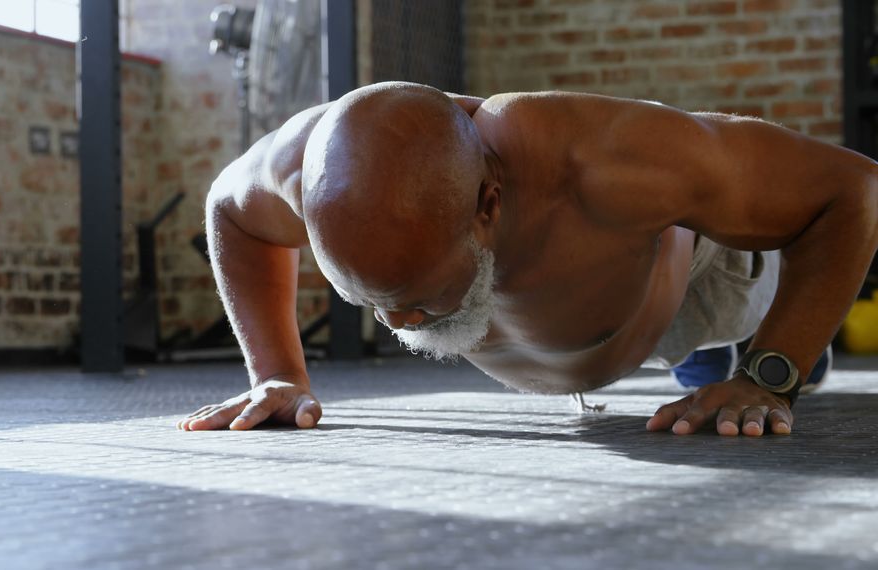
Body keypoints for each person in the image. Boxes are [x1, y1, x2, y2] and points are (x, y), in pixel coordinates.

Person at [177, 81, 878, 437]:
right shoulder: (304, 162)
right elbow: (228, 211)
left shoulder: (610, 162)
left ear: (489, 203)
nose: (402, 318)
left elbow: (854, 190)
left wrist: (772, 376)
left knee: (741, 319)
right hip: (593, 321)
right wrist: (277, 374)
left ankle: (769, 351)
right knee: (688, 357)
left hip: (700, 279)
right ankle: (704, 362)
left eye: (417, 293)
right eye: (371, 299)